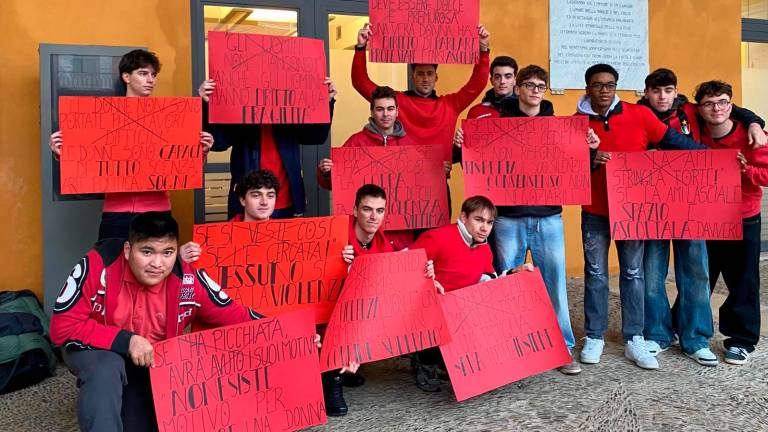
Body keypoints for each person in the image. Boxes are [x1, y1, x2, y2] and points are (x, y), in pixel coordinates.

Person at [49, 212, 269, 431]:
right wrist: (126, 340)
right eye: (147, 252)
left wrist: (283, 330)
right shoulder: (98, 264)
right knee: (105, 370)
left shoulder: (188, 280)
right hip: (98, 350)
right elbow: (62, 327)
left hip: (148, 363)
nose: (157, 263)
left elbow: (237, 316)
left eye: (167, 253)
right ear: (128, 250)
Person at [576, 63, 709, 370]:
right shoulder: (575, 123)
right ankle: (594, 335)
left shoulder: (639, 115)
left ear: (616, 87)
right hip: (594, 211)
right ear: (588, 87)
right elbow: (564, 165)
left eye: (609, 85)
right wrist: (591, 157)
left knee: (634, 274)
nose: (604, 90)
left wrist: (716, 157)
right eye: (597, 85)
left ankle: (634, 337)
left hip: (632, 211)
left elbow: (677, 143)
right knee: (595, 273)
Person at [638, 69, 765, 366]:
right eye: (656, 90)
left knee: (727, 279)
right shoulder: (657, 115)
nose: (716, 109)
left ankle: (724, 339)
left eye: (668, 89)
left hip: (721, 212)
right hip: (674, 209)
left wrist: (755, 124)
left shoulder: (728, 125)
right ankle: (667, 332)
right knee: (675, 275)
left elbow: (733, 109)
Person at [49, 50, 214, 240]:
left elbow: (181, 162)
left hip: (157, 210)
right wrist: (63, 152)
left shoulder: (170, 118)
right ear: (126, 77)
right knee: (113, 258)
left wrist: (201, 151)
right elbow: (90, 159)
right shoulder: (104, 116)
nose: (150, 80)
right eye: (143, 73)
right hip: (117, 212)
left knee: (156, 259)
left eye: (153, 75)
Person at [326, 184, 435, 415]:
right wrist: (333, 259)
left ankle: (347, 366)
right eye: (367, 209)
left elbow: (394, 283)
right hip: (328, 305)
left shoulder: (383, 245)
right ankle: (331, 381)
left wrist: (425, 275)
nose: (374, 216)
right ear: (355, 210)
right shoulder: (335, 233)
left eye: (379, 210)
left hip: (356, 309)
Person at [408, 196, 532, 391]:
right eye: (479, 220)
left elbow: (489, 285)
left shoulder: (484, 248)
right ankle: (424, 362)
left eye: (489, 222)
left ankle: (446, 358)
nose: (484, 228)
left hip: (458, 312)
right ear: (464, 217)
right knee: (436, 309)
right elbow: (403, 265)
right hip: (425, 308)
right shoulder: (438, 237)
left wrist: (513, 274)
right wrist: (427, 281)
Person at [317, 86, 450, 250]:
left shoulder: (411, 145)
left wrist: (439, 172)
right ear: (372, 112)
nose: (385, 114)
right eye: (380, 109)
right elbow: (332, 185)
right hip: (367, 238)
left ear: (397, 112)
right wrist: (325, 172)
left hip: (403, 237)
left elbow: (426, 186)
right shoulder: (356, 143)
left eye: (390, 109)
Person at [694, 80, 768, 365]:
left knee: (743, 280)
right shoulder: (694, 132)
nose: (717, 109)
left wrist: (746, 170)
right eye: (709, 104)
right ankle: (690, 329)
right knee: (700, 275)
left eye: (723, 102)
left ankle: (741, 340)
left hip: (743, 217)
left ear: (731, 105)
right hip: (704, 216)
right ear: (700, 108)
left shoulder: (752, 137)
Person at [198, 77, 336, 219]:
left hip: (286, 204)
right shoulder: (239, 113)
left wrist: (326, 102)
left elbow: (316, 137)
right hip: (248, 203)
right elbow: (218, 143)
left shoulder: (291, 113)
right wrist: (205, 104)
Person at [352, 23, 491, 160]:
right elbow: (360, 82)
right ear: (413, 77)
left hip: (439, 173)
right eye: (420, 74)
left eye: (429, 74)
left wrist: (483, 49)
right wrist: (360, 47)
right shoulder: (397, 101)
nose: (425, 79)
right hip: (403, 172)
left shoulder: (450, 105)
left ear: (436, 78)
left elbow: (477, 84)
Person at [179, 169, 280, 263]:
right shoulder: (216, 237)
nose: (264, 202)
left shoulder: (283, 234)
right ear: (242, 200)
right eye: (256, 195)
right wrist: (181, 259)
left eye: (270, 196)